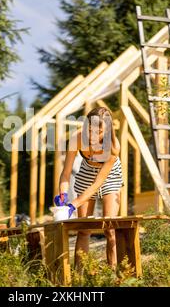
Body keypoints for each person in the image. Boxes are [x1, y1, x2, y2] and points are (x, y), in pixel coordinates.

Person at [53, 107, 124, 268]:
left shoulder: (113, 147)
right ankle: (79, 275)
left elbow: (97, 184)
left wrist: (74, 204)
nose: (93, 135)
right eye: (90, 130)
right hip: (87, 171)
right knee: (84, 229)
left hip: (109, 175)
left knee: (109, 228)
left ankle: (113, 273)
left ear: (107, 131)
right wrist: (63, 194)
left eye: (98, 132)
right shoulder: (76, 138)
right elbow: (66, 173)